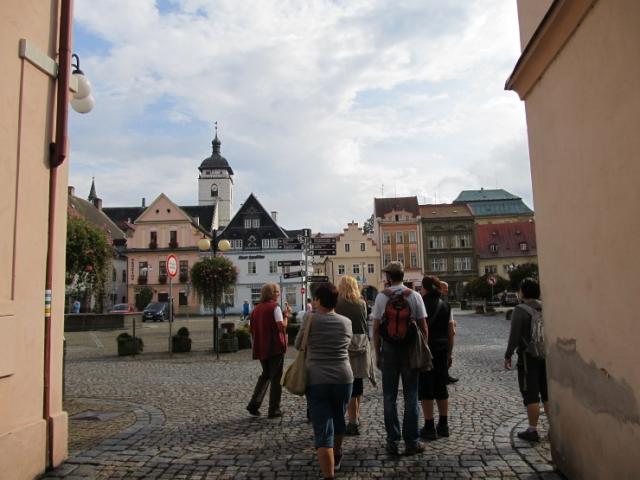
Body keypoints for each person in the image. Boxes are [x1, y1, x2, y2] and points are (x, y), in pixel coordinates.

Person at [295, 283, 353, 480]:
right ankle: (336, 454)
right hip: (343, 378)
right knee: (338, 419)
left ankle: (329, 475)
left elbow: (297, 344)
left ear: (318, 300)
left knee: (322, 429)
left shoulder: (309, 319)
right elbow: (349, 344)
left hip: (316, 379)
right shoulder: (346, 322)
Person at [372, 261, 428, 455]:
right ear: (403, 276)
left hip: (388, 350)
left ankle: (392, 441)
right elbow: (423, 326)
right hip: (410, 350)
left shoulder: (381, 297)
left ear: (388, 277)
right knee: (411, 396)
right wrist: (423, 349)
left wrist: (377, 353)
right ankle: (412, 441)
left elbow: (377, 328)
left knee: (389, 397)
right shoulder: (414, 296)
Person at [504, 277, 547, 442]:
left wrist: (508, 355)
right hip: (545, 354)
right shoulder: (544, 306)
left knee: (531, 392)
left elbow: (514, 336)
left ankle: (532, 429)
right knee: (546, 392)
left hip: (528, 356)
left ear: (523, 291)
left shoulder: (520, 310)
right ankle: (553, 428)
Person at [246, 283, 291, 419]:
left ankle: (254, 405)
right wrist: (287, 316)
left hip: (261, 347)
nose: (278, 294)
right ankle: (274, 409)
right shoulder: (274, 307)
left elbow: (251, 328)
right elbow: (281, 327)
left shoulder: (256, 309)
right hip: (274, 347)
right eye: (276, 291)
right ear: (271, 294)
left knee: (265, 375)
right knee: (276, 378)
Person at [419, 275, 455, 440]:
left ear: (425, 288)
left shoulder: (421, 304)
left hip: (425, 351)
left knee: (426, 388)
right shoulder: (446, 305)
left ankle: (429, 426)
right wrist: (449, 352)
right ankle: (444, 424)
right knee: (441, 387)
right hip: (441, 349)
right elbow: (451, 332)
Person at [335, 276, 372, 436]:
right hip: (361, 345)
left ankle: (352, 420)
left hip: (343, 346)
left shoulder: (336, 304)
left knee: (347, 385)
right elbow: (364, 323)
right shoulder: (362, 303)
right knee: (358, 383)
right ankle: (356, 416)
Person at [439, 281, 459, 385]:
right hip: (443, 335)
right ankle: (444, 376)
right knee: (445, 355)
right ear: (439, 288)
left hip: (442, 333)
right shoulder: (442, 302)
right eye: (444, 288)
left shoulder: (443, 299)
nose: (446, 290)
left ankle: (445, 375)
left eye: (447, 288)